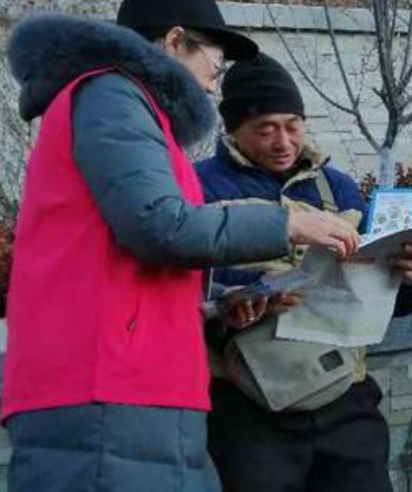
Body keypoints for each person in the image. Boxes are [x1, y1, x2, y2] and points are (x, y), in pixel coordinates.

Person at [2, 3, 361, 492]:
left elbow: (131, 255)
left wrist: (220, 307)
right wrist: (289, 222)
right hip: (109, 389)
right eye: (216, 63)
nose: (215, 85)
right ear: (174, 42)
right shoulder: (111, 95)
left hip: (140, 386)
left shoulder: (126, 108)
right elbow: (158, 226)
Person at [196, 53, 412, 492]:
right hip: (248, 410)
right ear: (231, 129)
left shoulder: (339, 188)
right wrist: (242, 299)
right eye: (265, 129)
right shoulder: (199, 189)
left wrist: (404, 278)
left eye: (293, 126)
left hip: (344, 397)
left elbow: (382, 305)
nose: (284, 142)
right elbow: (175, 295)